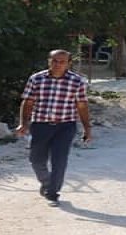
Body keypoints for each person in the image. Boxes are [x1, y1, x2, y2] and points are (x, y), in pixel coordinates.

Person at [15, 49, 92, 206]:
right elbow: (28, 102)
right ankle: (47, 182)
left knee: (59, 160)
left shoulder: (77, 81)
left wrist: (87, 129)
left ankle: (52, 193)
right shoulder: (36, 79)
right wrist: (24, 123)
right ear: (49, 61)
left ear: (69, 64)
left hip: (65, 126)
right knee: (36, 159)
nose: (58, 64)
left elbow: (82, 106)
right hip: (41, 125)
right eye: (54, 61)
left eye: (62, 61)